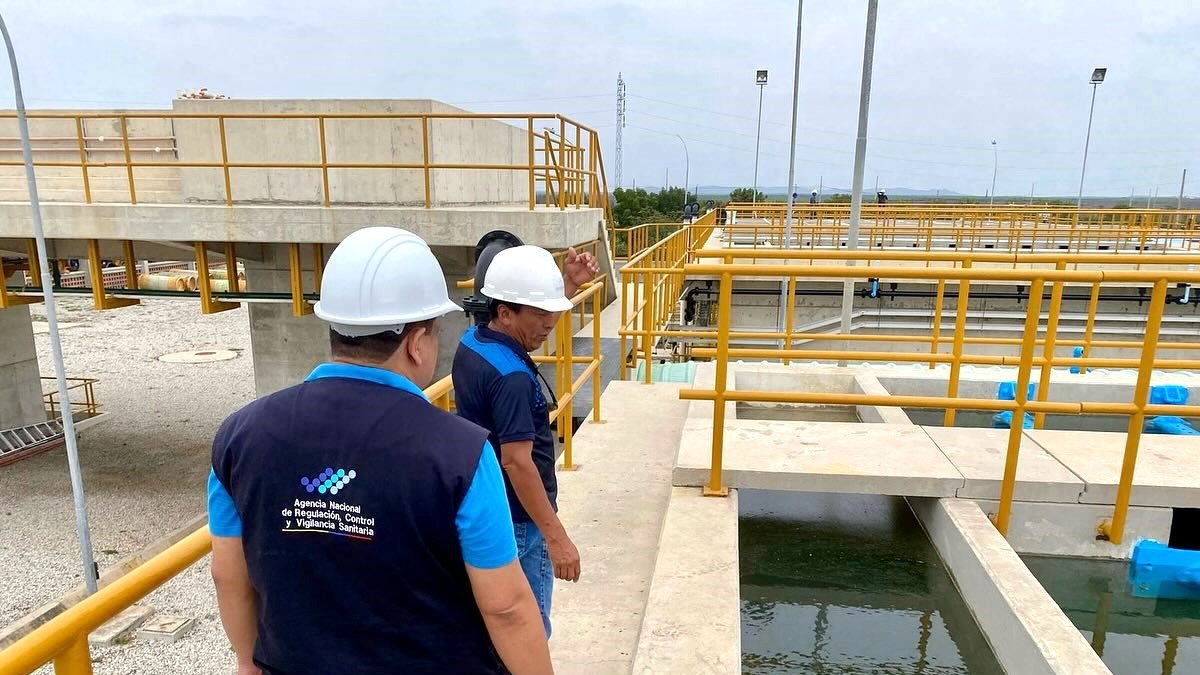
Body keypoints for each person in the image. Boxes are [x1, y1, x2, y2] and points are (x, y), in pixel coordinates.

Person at [207, 227, 553, 675]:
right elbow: (505, 606)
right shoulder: (461, 454)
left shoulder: (238, 437)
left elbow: (228, 575)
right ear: (416, 342)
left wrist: (246, 662)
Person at [452, 244, 598, 637]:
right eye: (540, 314)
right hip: (521, 520)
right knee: (528, 630)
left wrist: (565, 284)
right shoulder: (513, 379)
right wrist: (557, 537)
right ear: (504, 311)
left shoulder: (474, 342)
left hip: (489, 503)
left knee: (492, 625)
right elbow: (517, 461)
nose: (549, 323)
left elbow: (527, 324)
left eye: (553, 312)